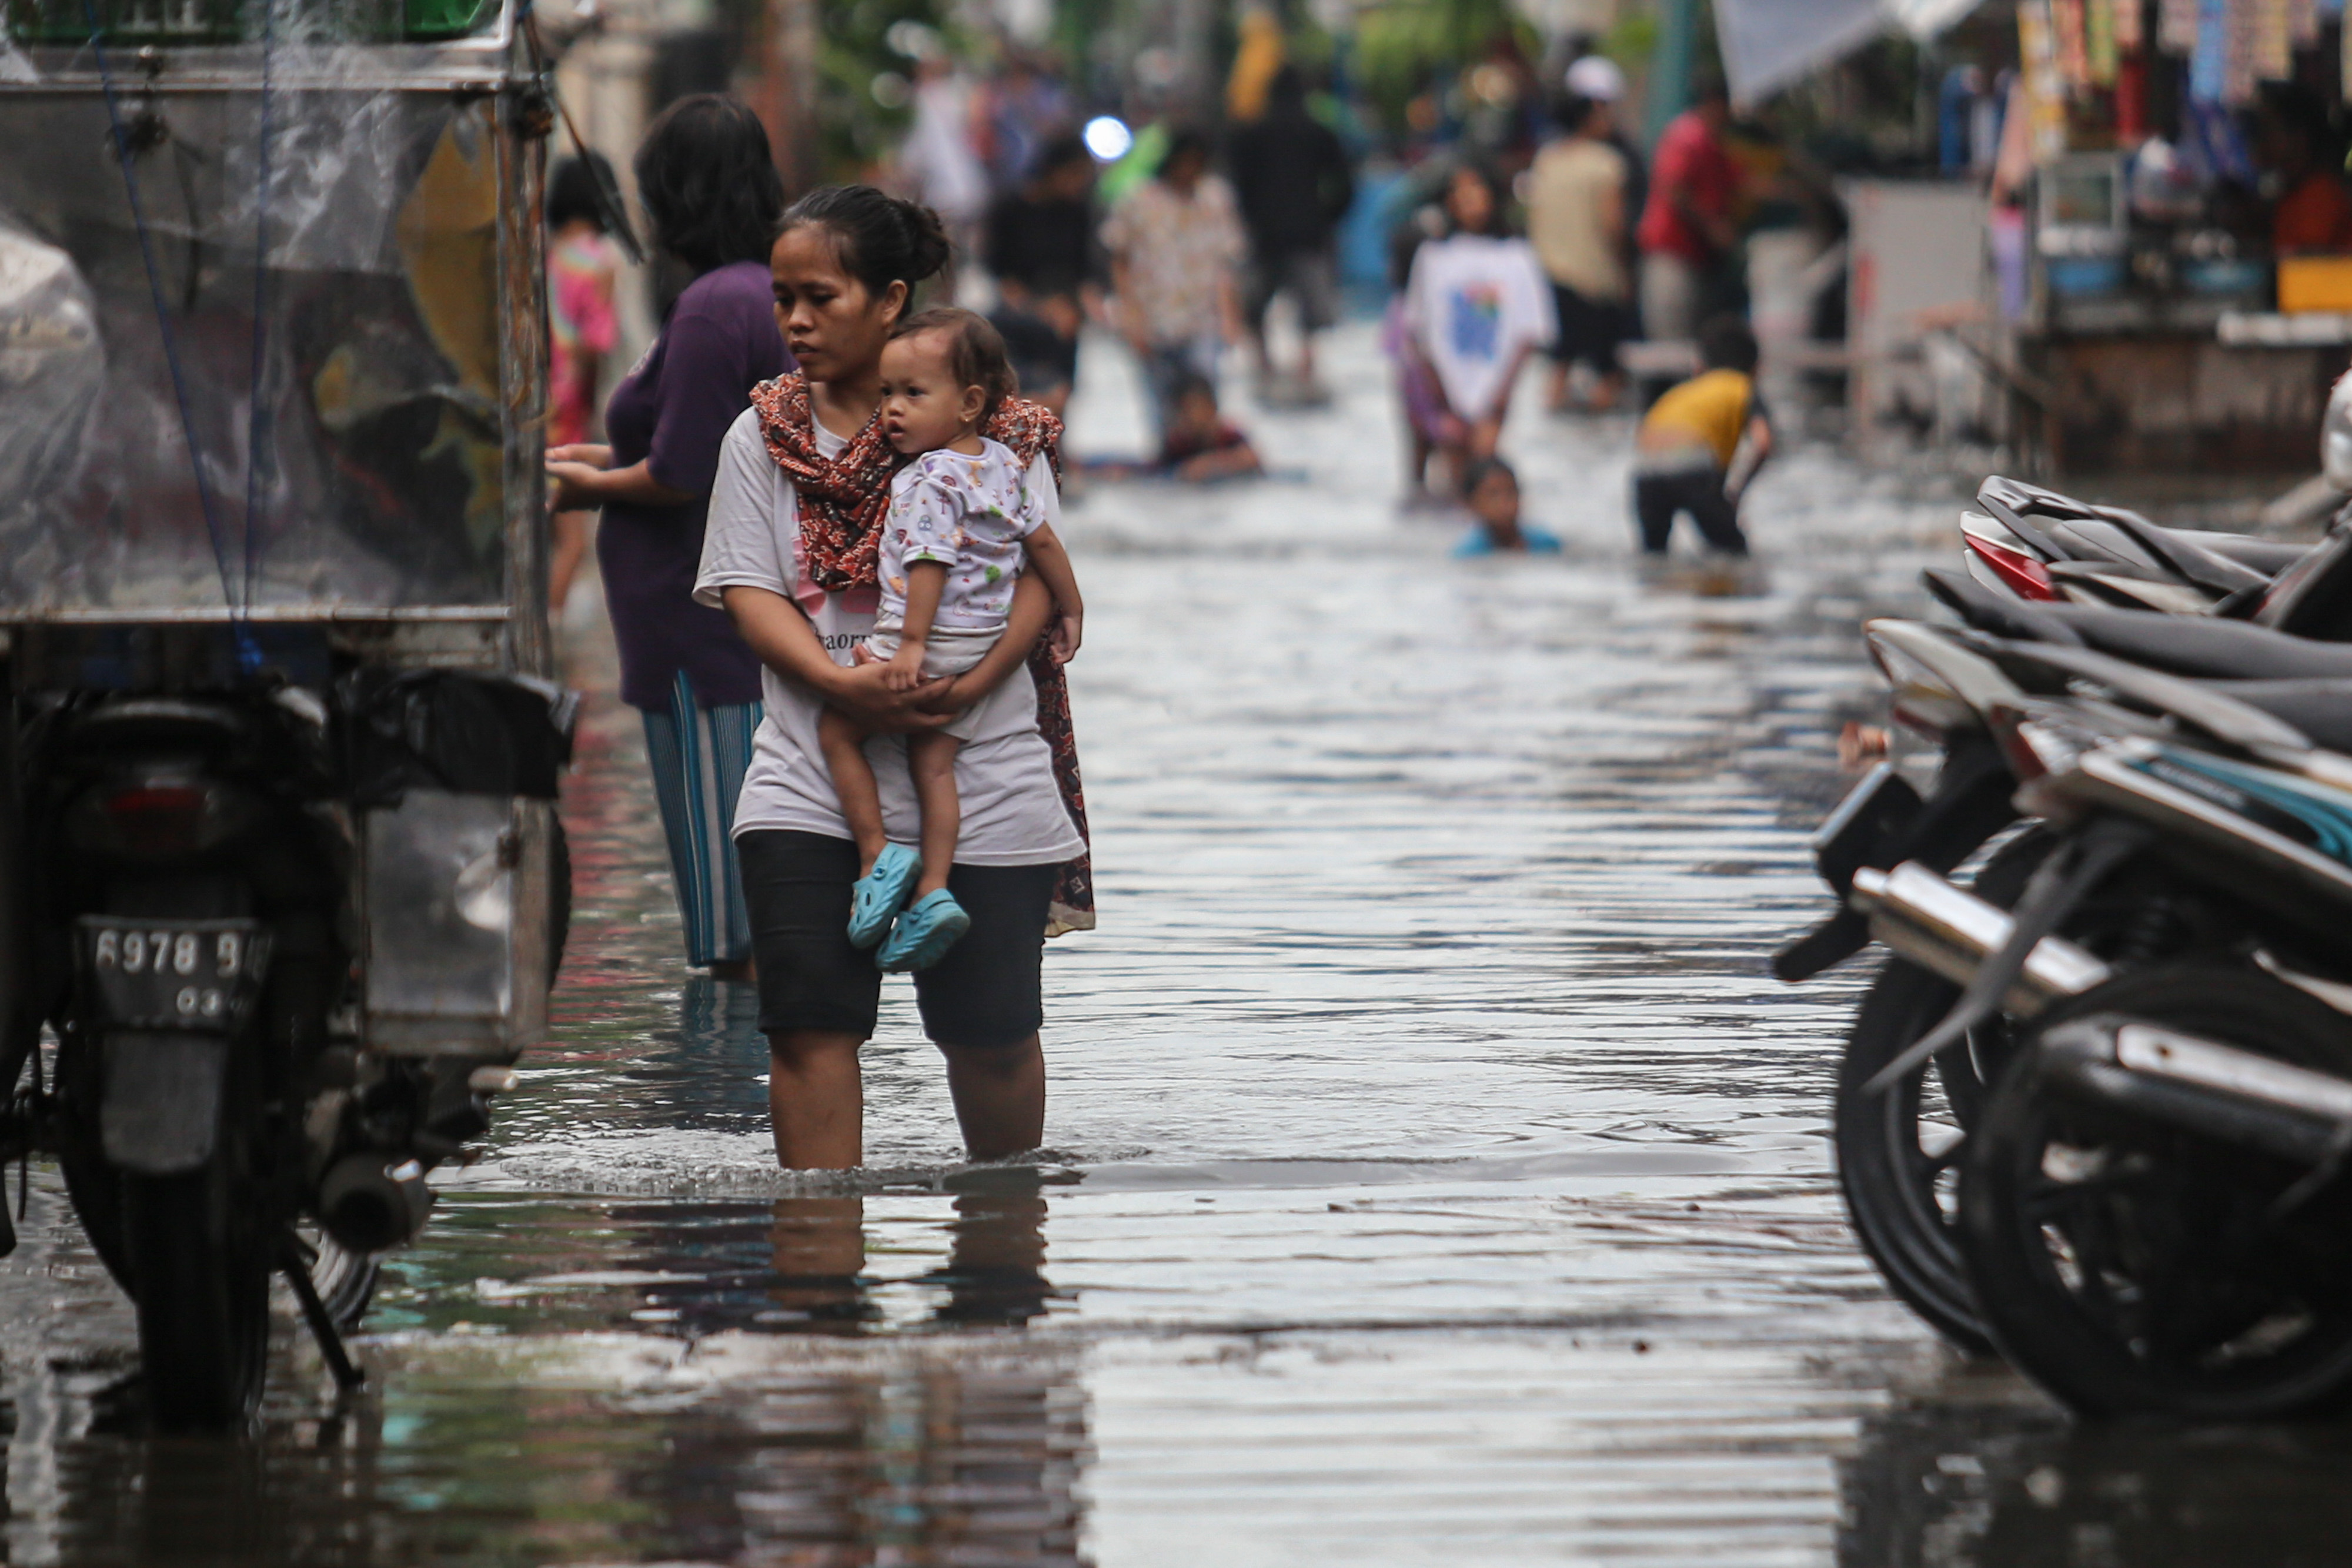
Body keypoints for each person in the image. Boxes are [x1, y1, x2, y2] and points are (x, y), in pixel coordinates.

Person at [694, 185, 1093, 1171]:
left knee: (991, 1038)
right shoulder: (761, 439)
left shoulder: (998, 439)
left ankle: (1000, 1283)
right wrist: (845, 692)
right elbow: (751, 593)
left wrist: (969, 684)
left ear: (891, 300)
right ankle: (824, 1292)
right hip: (808, 783)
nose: (793, 318)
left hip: (984, 771)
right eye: (784, 296)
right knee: (810, 1031)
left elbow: (1041, 584)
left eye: (820, 296)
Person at [546, 95, 790, 981]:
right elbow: (700, 442)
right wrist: (602, 460)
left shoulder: (707, 309)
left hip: (701, 632)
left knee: (738, 934)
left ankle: (736, 1106)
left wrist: (583, 484)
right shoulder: (756, 294)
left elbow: (681, 472)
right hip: (731, 622)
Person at [818, 308, 1085, 975]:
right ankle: (935, 890)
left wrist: (908, 648)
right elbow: (1044, 544)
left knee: (836, 729)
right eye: (885, 393)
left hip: (932, 639)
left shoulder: (925, 480)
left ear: (970, 403)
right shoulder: (1001, 465)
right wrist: (1074, 607)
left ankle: (878, 855)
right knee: (934, 767)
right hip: (983, 643)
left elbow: (927, 564)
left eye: (912, 394)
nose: (891, 412)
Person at [1399, 164, 1556, 490]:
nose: (1471, 202)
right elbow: (1418, 330)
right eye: (1461, 194)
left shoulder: (1518, 257)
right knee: (1454, 475)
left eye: (1477, 192)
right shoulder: (1433, 257)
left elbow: (1530, 332)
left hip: (1494, 384)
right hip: (1443, 385)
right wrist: (1437, 390)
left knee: (1484, 469)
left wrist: (1503, 392)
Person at [1100, 128, 1248, 440]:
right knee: (1162, 411)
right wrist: (1130, 316)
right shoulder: (1138, 200)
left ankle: (1205, 461)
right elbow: (1120, 259)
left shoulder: (1215, 198)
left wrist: (1230, 317)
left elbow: (1225, 261)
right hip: (1154, 319)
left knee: (1206, 402)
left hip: (1203, 318)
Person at [1226, 65, 1356, 400]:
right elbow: (1345, 181)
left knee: (1255, 304)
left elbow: (1237, 184)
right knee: (1311, 308)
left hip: (1263, 235)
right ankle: (1307, 364)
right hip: (1308, 233)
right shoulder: (1318, 132)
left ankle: (1264, 363)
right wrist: (1329, 217)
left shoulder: (1252, 133)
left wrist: (1249, 218)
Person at [545, 151, 624, 615]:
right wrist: (593, 406)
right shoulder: (599, 261)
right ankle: (548, 640)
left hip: (532, 402)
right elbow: (596, 344)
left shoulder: (547, 255)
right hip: (569, 409)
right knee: (572, 542)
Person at [1526, 91, 1632, 413]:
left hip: (1551, 277)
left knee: (1560, 363)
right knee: (1607, 372)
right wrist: (1625, 271)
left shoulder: (1546, 160)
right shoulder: (1606, 164)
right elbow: (1613, 226)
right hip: (1595, 279)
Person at [984, 133, 1102, 417]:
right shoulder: (1011, 209)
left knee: (1061, 393)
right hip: (1018, 314)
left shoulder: (1077, 211)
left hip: (1065, 313)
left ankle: (1053, 451)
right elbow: (1000, 271)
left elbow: (1084, 269)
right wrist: (1037, 309)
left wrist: (1083, 308)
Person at [1631, 315, 1770, 557]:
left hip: (1646, 471)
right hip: (1693, 468)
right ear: (1757, 368)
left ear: (1699, 366)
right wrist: (1737, 491)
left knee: (1654, 557)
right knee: (1735, 554)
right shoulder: (1741, 386)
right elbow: (1764, 442)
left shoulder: (1680, 393)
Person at [1636, 77, 1741, 346]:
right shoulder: (1686, 136)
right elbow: (1673, 187)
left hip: (1698, 262)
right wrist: (1711, 226)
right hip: (1671, 257)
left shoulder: (1715, 143)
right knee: (1671, 348)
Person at [1157, 371, 1262, 480]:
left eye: (1194, 408)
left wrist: (1210, 464)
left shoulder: (1229, 437)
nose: (1190, 417)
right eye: (1183, 411)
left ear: (1212, 407)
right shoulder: (1179, 445)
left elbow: (1251, 458)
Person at [1451, 456, 1561, 556]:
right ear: (1473, 503)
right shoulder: (1468, 555)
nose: (1504, 501)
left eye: (1511, 492)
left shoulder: (1546, 544)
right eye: (1493, 495)